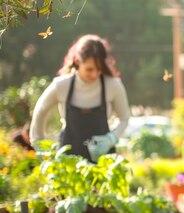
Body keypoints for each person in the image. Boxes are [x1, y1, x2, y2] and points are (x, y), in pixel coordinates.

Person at [30, 34, 130, 162]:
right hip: (68, 159)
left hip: (103, 160)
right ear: (77, 61)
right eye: (89, 69)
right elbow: (40, 110)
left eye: (99, 69)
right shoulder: (62, 85)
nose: (95, 74)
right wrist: (39, 144)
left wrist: (110, 139)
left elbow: (124, 118)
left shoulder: (113, 85)